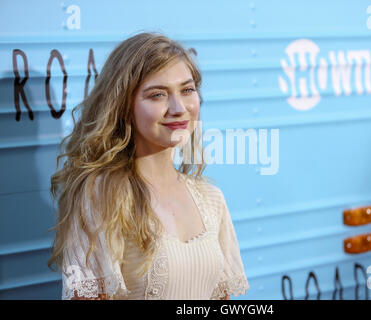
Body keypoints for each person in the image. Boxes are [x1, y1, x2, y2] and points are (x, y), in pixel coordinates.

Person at [47, 32, 250, 300]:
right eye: (157, 95)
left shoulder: (211, 199)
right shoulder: (102, 197)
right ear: (123, 106)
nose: (178, 108)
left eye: (187, 90)